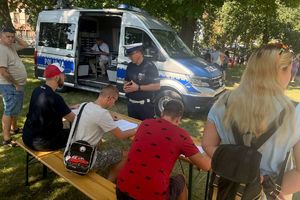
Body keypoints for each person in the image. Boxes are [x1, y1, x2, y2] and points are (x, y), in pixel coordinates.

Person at [202, 43, 300, 199]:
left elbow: (207, 144)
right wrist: (265, 187)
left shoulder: (224, 101)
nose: (291, 75)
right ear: (281, 71)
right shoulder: (296, 113)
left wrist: (235, 164)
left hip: (228, 189)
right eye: (291, 69)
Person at [116, 100, 211, 200]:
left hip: (122, 189)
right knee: (181, 180)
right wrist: (210, 149)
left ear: (162, 113)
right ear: (178, 119)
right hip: (152, 196)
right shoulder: (181, 135)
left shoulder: (145, 124)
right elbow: (205, 166)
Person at [65, 85, 136, 181]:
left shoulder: (84, 105)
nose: (114, 103)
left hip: (69, 155)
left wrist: (109, 116)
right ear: (109, 98)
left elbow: (94, 116)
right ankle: (109, 182)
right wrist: (138, 129)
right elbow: (120, 135)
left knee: (99, 142)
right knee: (126, 154)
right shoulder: (103, 114)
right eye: (115, 100)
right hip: (83, 163)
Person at [22, 63, 77, 151]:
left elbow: (51, 107)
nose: (65, 77)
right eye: (63, 75)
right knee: (78, 133)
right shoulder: (55, 98)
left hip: (27, 136)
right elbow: (74, 119)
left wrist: (70, 107)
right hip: (42, 142)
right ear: (56, 77)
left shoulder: (37, 90)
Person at [0, 26, 28, 147]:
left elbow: (25, 44)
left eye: (12, 37)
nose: (10, 39)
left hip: (17, 85)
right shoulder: (1, 49)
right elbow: (3, 72)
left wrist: (13, 35)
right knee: (9, 110)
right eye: (8, 36)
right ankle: (6, 138)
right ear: (1, 37)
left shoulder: (10, 46)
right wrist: (16, 84)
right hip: (9, 85)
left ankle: (14, 129)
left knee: (15, 108)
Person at [123, 43, 160, 120]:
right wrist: (126, 86)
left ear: (139, 52)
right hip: (131, 105)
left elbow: (157, 86)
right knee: (132, 128)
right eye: (128, 55)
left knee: (147, 130)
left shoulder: (150, 66)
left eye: (131, 54)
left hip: (145, 106)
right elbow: (126, 80)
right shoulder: (130, 65)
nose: (129, 57)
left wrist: (138, 88)